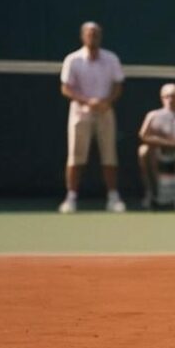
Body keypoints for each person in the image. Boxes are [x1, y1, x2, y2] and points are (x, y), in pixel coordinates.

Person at [59, 21, 126, 213]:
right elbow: (65, 88)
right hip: (80, 113)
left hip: (105, 112)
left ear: (100, 36)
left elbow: (118, 85)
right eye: (89, 34)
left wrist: (106, 102)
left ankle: (113, 197)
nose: (93, 37)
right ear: (83, 36)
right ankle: (71, 198)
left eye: (96, 33)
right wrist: (87, 101)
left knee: (109, 155)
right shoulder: (72, 59)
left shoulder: (111, 59)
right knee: (75, 156)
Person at [137, 83, 175, 210]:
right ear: (161, 98)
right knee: (143, 151)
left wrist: (161, 141)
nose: (170, 100)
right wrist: (165, 143)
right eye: (166, 97)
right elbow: (143, 136)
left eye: (173, 96)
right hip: (159, 152)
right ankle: (152, 193)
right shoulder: (153, 115)